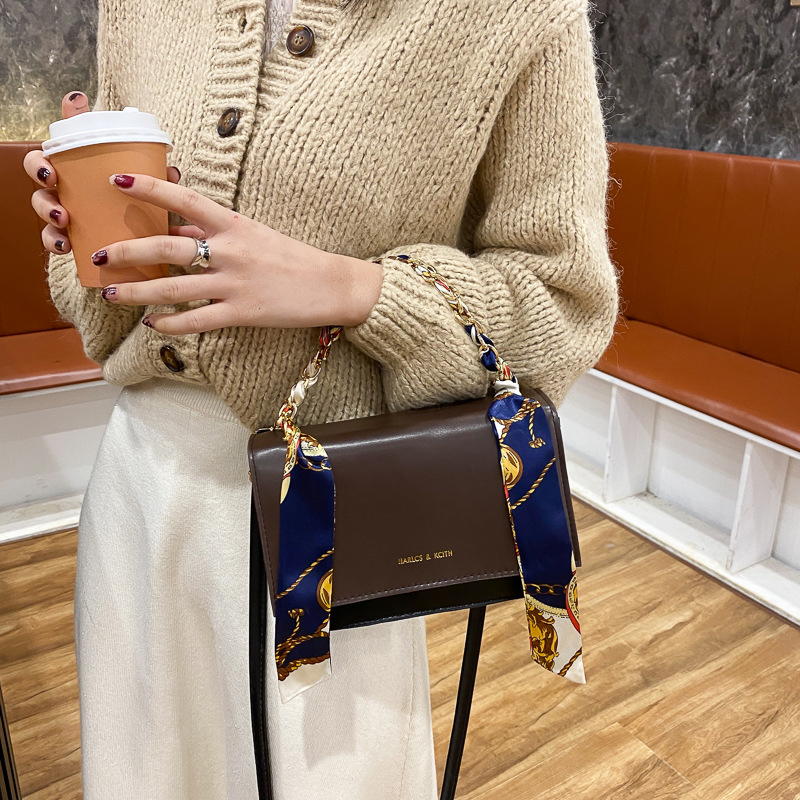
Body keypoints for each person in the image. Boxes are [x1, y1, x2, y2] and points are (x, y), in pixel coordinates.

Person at [23, 0, 618, 797]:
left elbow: (563, 304)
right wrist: (86, 232)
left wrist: (356, 289)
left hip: (340, 513)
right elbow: (104, 284)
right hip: (145, 491)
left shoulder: (515, 15)